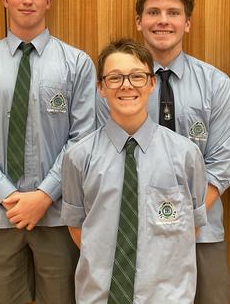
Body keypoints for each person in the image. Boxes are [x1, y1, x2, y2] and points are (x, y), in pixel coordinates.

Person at [0, 0, 96, 304]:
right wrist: (10, 196)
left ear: (49, 1)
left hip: (59, 216)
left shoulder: (76, 63)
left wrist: (44, 196)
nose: (27, 0)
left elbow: (83, 140)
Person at [96, 0, 230, 303]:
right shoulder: (114, 86)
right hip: (132, 233)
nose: (162, 20)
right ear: (139, 21)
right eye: (153, 12)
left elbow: (222, 165)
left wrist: (187, 219)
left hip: (202, 233)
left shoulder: (216, 84)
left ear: (187, 23)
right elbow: (107, 157)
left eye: (173, 13)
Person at [63, 38, 208, 303]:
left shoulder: (185, 154)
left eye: (137, 76)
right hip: (99, 296)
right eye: (115, 78)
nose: (127, 85)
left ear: (152, 83)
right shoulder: (78, 156)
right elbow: (77, 227)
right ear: (101, 88)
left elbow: (192, 228)